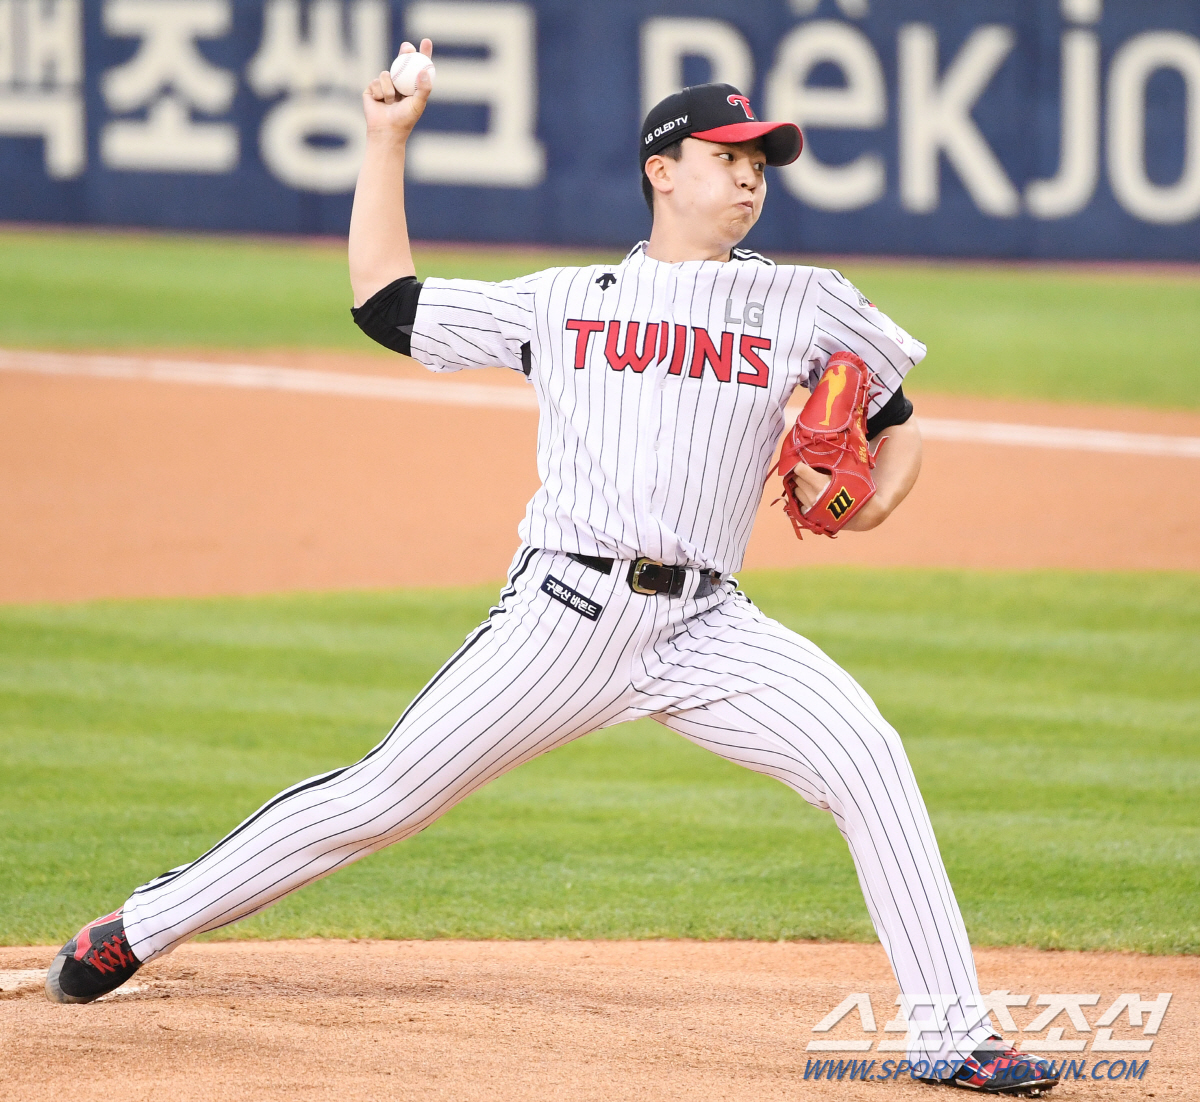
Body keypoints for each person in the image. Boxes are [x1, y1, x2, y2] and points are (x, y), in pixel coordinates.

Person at [47, 38, 1058, 1095]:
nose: (753, 175)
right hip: (562, 615)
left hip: (711, 627)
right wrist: (386, 139)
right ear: (663, 171)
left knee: (868, 757)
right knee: (381, 798)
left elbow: (899, 423)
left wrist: (874, 505)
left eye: (764, 160)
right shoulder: (568, 301)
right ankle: (139, 923)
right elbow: (388, 303)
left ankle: (952, 1031)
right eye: (730, 155)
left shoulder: (807, 301)